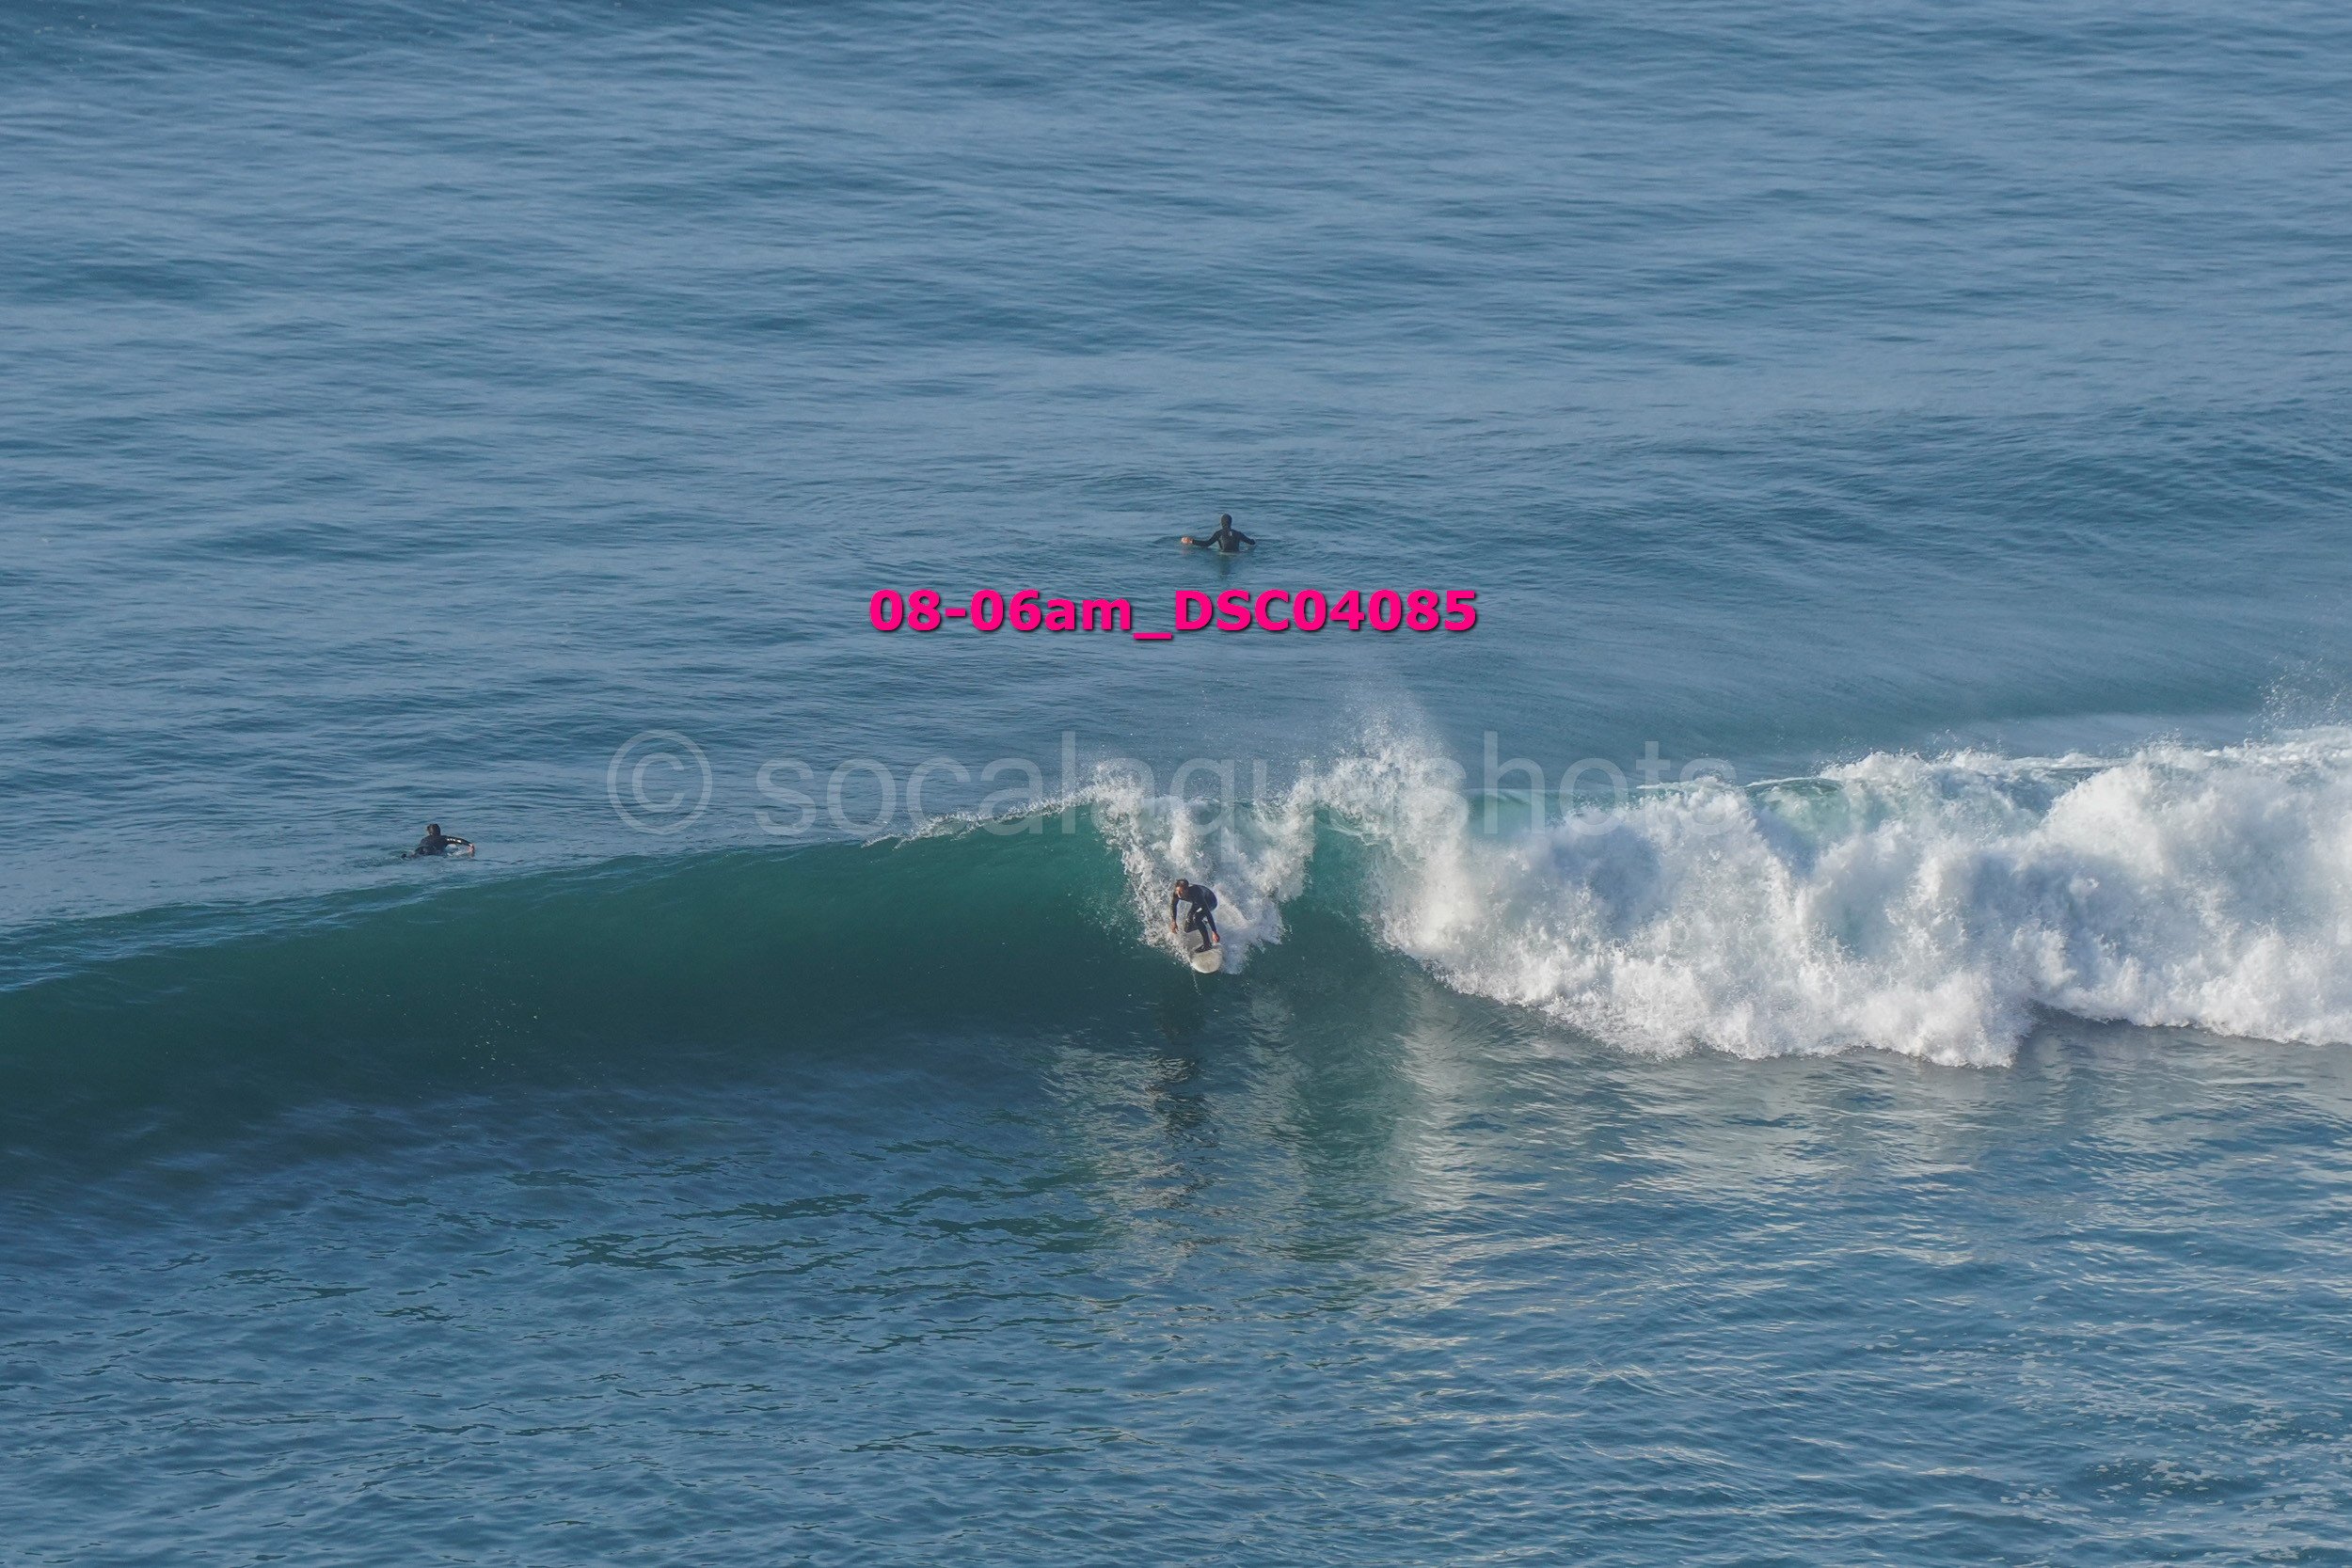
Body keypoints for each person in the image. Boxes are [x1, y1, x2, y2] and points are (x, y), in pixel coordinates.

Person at [1169, 879, 1220, 954]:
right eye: (1178, 891)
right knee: (1187, 928)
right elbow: (1173, 906)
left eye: (1181, 892)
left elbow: (1207, 913)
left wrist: (1214, 932)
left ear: (1187, 890)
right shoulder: (1176, 893)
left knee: (1196, 918)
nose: (1179, 894)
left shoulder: (1196, 894)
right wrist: (1174, 921)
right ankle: (1204, 923)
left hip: (1210, 901)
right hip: (1196, 902)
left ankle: (1207, 945)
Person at [1180, 514, 1255, 553]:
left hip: (1223, 555)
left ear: (1222, 522)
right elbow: (1251, 542)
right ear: (1231, 522)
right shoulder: (1238, 533)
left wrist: (1191, 541)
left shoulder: (1219, 533)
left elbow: (1207, 544)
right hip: (1237, 555)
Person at [408, 822, 472, 858]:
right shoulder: (444, 838)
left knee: (414, 856)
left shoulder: (424, 839)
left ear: (429, 832)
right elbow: (457, 840)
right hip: (432, 850)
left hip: (419, 849)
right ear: (439, 831)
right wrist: (469, 844)